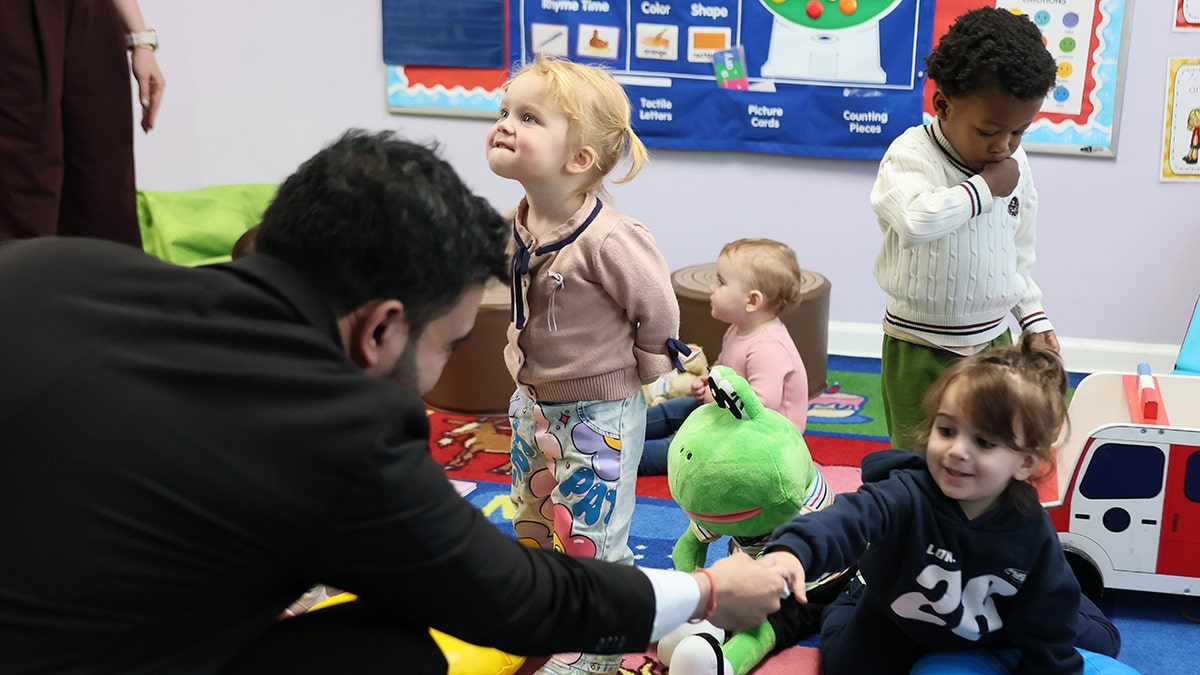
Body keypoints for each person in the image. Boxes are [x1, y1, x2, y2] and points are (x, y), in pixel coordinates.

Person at [0, 130, 791, 673]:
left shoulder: (53, 267)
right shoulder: (342, 432)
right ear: (381, 327)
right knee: (391, 652)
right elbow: (517, 598)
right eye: (446, 345)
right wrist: (714, 590)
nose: (438, 373)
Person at [485, 54, 685, 675]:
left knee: (592, 531)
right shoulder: (515, 223)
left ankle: (601, 634)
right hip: (531, 398)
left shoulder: (611, 239)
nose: (505, 124)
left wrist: (652, 368)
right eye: (503, 111)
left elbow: (657, 306)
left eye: (528, 117)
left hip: (597, 410)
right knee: (533, 514)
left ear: (579, 160)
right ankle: (547, 605)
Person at [760, 334, 1122, 674]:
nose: (957, 451)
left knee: (1099, 641)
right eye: (947, 430)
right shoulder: (906, 493)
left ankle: (1078, 602)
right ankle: (853, 591)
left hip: (992, 622)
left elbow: (1049, 630)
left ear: (1025, 463)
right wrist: (794, 550)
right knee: (845, 666)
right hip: (901, 616)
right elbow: (848, 517)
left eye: (983, 442)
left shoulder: (1030, 530)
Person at [871, 7, 1059, 449]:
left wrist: (1032, 318)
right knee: (918, 458)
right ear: (943, 105)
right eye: (989, 130)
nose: (1004, 145)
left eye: (1019, 131)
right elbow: (917, 221)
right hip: (919, 346)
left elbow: (1018, 247)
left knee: (991, 451)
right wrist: (984, 189)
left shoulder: (1015, 164)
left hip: (995, 341)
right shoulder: (910, 155)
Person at [0, 0, 165, 246]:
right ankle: (25, 282)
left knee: (103, 176)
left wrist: (142, 40)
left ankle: (104, 281)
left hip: (91, 14)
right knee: (24, 182)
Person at [640, 238, 809, 476]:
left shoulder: (768, 348)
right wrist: (709, 382)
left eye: (721, 282)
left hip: (764, 438)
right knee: (680, 408)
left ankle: (624, 461)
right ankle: (624, 430)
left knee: (689, 444)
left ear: (752, 301)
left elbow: (759, 407)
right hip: (730, 414)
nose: (712, 288)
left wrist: (713, 395)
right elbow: (724, 369)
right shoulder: (738, 329)